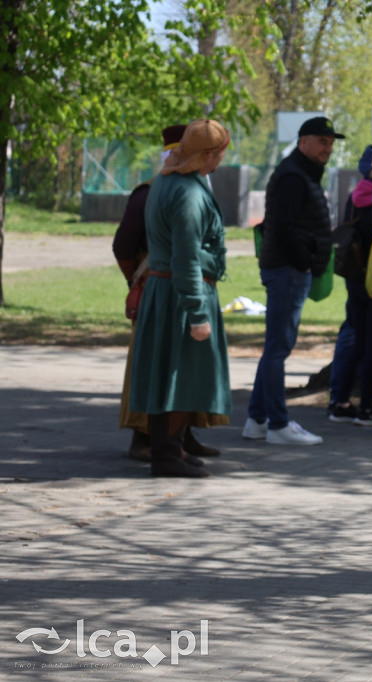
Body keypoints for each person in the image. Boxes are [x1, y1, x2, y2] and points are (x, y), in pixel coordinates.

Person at [113, 124, 225, 463]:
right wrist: (194, 308)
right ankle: (159, 447)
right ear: (205, 154)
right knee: (171, 370)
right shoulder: (179, 191)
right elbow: (180, 255)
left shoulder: (174, 185)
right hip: (174, 290)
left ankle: (175, 442)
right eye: (219, 151)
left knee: (176, 371)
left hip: (169, 285)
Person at [243, 116, 341, 446]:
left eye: (331, 142)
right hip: (287, 270)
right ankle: (277, 424)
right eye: (321, 141)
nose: (328, 148)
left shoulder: (302, 174)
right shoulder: (292, 176)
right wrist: (304, 263)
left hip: (291, 270)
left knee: (275, 347)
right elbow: (281, 227)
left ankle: (257, 419)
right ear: (303, 143)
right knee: (278, 348)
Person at [327, 146, 372, 425]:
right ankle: (366, 406)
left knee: (357, 341)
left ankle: (340, 399)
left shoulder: (357, 194)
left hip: (355, 275)